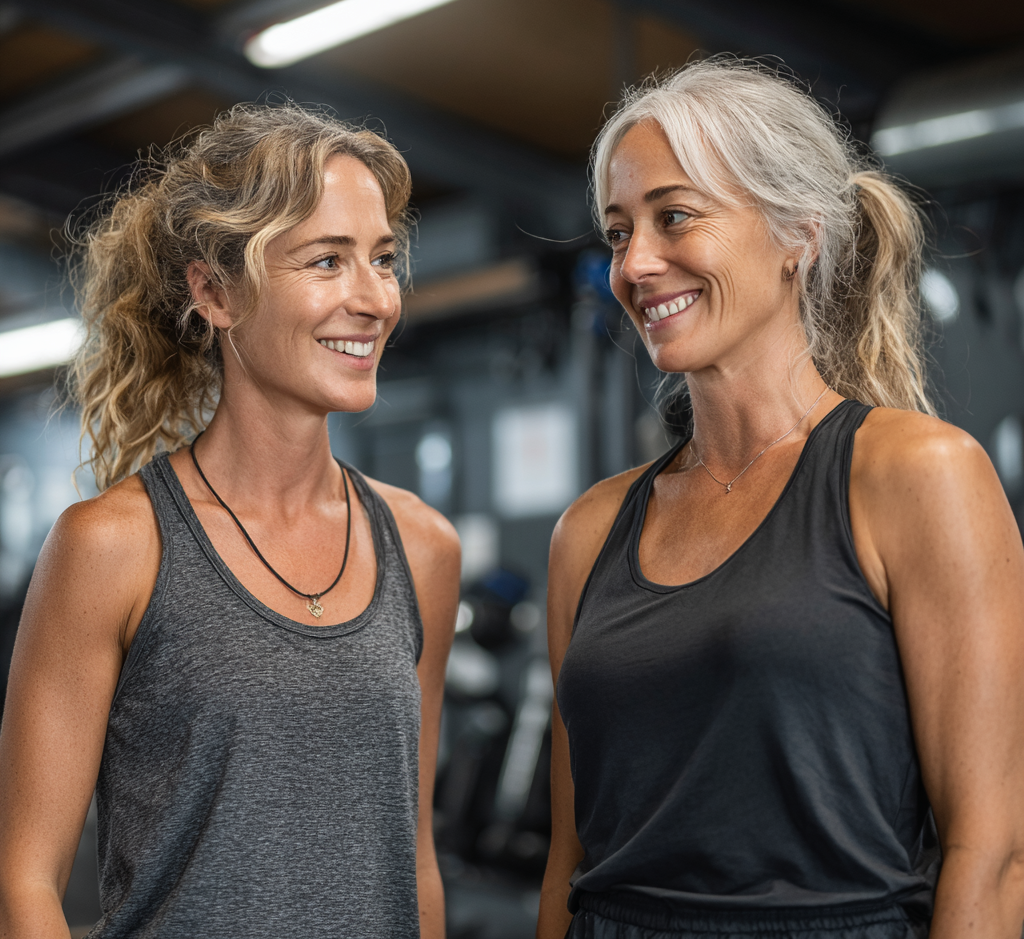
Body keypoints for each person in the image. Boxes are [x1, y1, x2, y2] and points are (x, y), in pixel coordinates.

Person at [539, 59, 1024, 939]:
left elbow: (992, 853)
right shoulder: (590, 530)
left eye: (674, 217)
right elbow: (571, 865)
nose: (636, 263)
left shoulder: (918, 475)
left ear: (797, 234)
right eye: (618, 232)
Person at [0, 104, 460, 938]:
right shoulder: (114, 545)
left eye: (382, 260)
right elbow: (25, 883)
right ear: (215, 291)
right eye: (327, 260)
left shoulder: (422, 546)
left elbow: (413, 855)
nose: (373, 299)